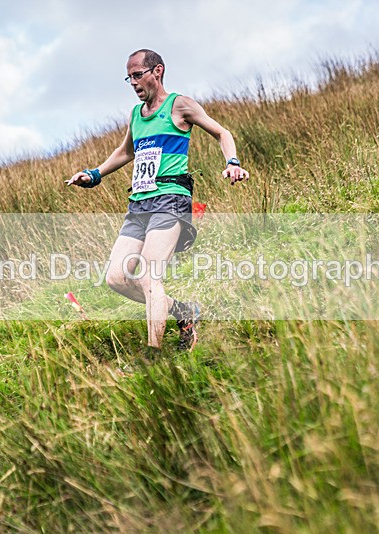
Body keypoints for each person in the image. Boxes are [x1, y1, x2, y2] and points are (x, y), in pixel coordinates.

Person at [65, 49, 248, 352]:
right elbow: (126, 152)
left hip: (170, 199)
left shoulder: (180, 106)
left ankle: (154, 354)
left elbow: (221, 132)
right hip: (139, 205)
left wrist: (233, 161)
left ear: (157, 71)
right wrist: (93, 175)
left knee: (150, 277)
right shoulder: (136, 115)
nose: (134, 83)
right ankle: (183, 311)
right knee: (116, 277)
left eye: (138, 75)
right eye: (129, 78)